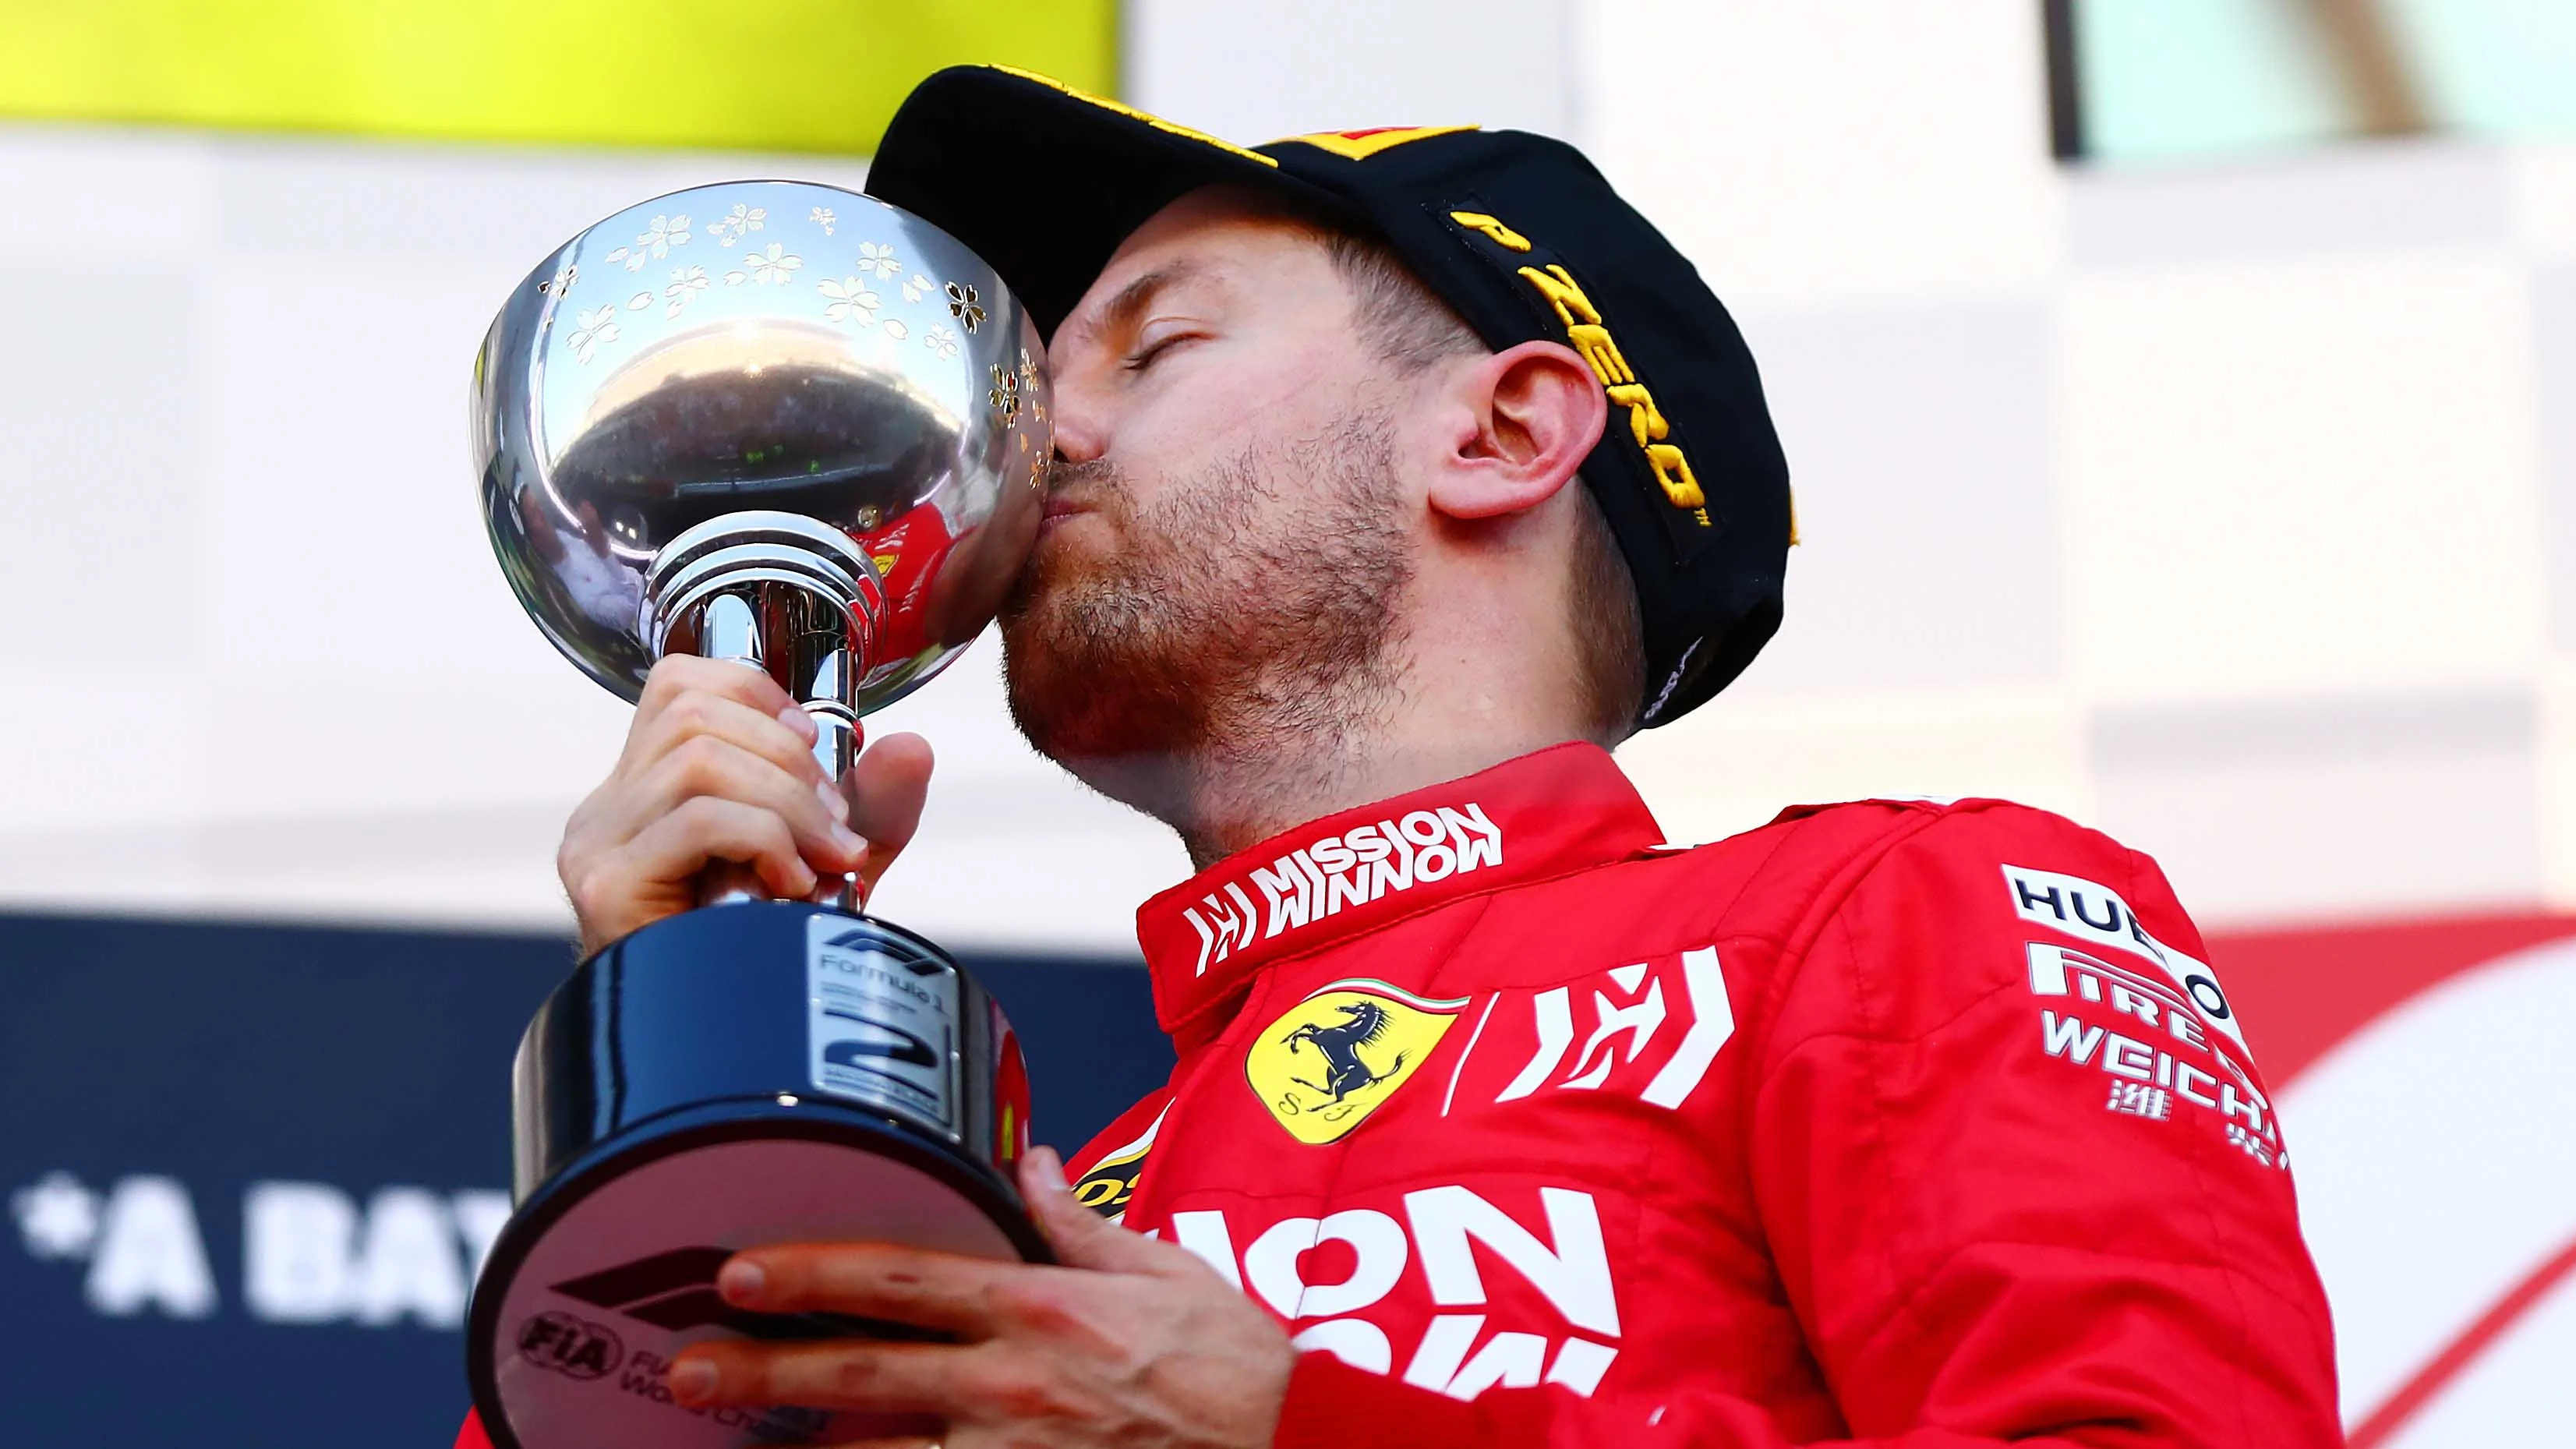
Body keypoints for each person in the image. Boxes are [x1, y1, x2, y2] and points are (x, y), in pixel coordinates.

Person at [465, 66, 2342, 1449]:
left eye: (1150, 347)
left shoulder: (1879, 919)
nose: (1042, 450)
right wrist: (691, 1058)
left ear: (1504, 428)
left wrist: (1302, 1431)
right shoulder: (1057, 1194)